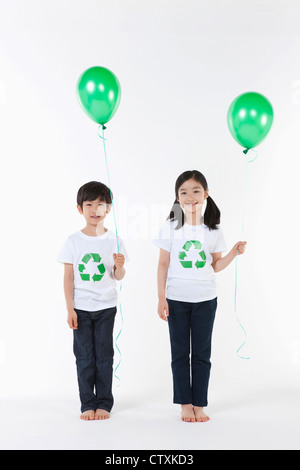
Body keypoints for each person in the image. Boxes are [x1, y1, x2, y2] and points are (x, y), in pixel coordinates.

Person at [153, 170, 246, 423]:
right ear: (177, 197)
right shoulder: (170, 227)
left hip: (205, 299)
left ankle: (200, 404)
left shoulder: (213, 229)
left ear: (205, 194)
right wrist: (162, 298)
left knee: (202, 354)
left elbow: (215, 265)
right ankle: (185, 403)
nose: (190, 197)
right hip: (177, 300)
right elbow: (162, 265)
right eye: (183, 192)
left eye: (195, 191)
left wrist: (233, 253)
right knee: (180, 353)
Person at [57, 181, 128, 421]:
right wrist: (70, 309)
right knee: (85, 357)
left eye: (100, 205)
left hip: (106, 307)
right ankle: (87, 403)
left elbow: (118, 277)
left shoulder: (114, 240)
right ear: (80, 208)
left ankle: (104, 403)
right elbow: (68, 278)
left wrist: (120, 266)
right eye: (89, 205)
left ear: (108, 209)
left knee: (104, 356)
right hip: (81, 308)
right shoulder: (73, 241)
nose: (95, 210)